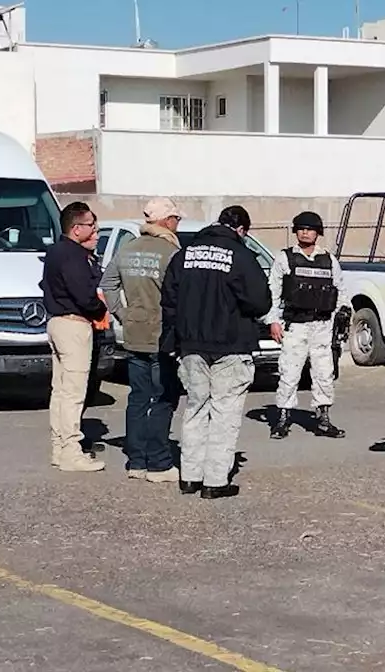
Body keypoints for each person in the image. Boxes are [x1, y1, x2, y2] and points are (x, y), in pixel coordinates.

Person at [161, 205, 271, 500]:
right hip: (230, 344)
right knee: (225, 412)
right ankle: (215, 481)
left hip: (190, 345)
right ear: (241, 230)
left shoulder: (185, 254)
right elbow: (261, 302)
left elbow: (168, 299)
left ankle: (190, 477)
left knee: (196, 408)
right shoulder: (241, 256)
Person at [100, 197, 184, 483]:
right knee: (163, 397)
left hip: (134, 332)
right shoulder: (171, 252)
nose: (178, 223)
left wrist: (121, 313)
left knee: (137, 398)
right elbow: (179, 295)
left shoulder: (128, 248)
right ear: (165, 221)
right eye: (176, 218)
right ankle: (159, 463)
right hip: (161, 335)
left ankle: (136, 461)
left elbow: (108, 282)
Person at [267, 211, 352, 441]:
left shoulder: (329, 259)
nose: (305, 232)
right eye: (301, 228)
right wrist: (273, 321)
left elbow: (341, 293)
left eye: (310, 228)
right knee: (289, 372)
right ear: (295, 231)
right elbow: (273, 293)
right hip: (295, 325)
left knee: (325, 373)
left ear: (318, 233)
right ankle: (283, 418)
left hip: (322, 326)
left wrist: (341, 319)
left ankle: (323, 418)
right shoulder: (285, 258)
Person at [41, 202, 108, 473]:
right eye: (91, 225)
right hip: (73, 324)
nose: (95, 230)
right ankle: (70, 449)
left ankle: (59, 447)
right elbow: (84, 293)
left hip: (57, 322)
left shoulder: (55, 251)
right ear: (76, 228)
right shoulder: (72, 255)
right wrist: (100, 307)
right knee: (73, 393)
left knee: (61, 390)